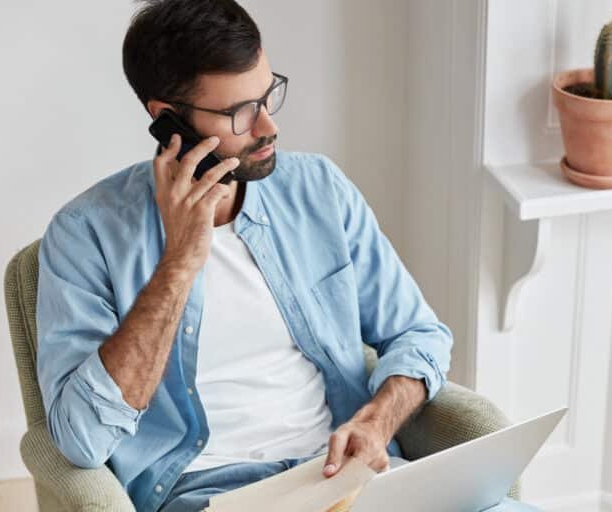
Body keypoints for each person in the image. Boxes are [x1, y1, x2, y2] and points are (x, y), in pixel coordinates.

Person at [34, 1, 518, 511]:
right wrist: (177, 263)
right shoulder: (85, 235)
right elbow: (80, 439)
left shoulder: (319, 189)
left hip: (348, 480)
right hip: (207, 494)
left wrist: (376, 421)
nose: (268, 127)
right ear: (168, 118)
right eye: (240, 112)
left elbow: (419, 335)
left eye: (267, 96)